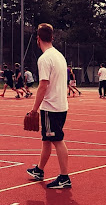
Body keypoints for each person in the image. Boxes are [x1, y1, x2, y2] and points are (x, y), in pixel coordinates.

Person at [26, 23, 72, 189]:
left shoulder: (45, 59)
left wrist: (34, 109)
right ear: (52, 37)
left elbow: (43, 85)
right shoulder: (59, 55)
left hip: (51, 106)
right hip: (60, 105)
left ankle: (64, 177)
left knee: (57, 140)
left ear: (38, 39)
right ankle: (39, 170)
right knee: (47, 139)